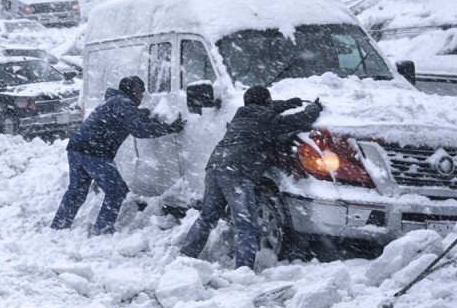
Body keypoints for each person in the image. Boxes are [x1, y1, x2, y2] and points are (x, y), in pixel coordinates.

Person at [180, 86, 323, 270]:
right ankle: (243, 270)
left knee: (207, 218)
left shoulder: (240, 116)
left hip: (215, 166)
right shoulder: (267, 119)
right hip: (237, 173)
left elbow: (265, 110)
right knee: (246, 225)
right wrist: (315, 108)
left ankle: (184, 258)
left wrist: (287, 104)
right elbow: (300, 120)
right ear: (266, 102)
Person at [51, 76, 184, 234]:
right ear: (133, 92)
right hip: (94, 152)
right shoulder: (123, 103)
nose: (141, 97)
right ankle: (102, 229)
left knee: (76, 191)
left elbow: (126, 117)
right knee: (116, 190)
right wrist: (168, 128)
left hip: (78, 148)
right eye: (140, 93)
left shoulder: (116, 101)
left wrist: (144, 114)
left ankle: (59, 226)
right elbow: (138, 130)